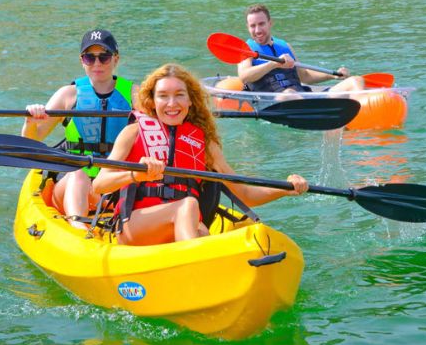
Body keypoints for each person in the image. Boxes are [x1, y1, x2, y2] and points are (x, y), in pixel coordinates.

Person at [92, 64, 308, 246]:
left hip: (185, 222)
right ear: (152, 101)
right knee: (188, 206)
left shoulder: (204, 143)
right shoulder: (133, 132)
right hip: (135, 226)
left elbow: (246, 193)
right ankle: (194, 265)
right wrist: (135, 175)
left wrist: (285, 189)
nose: (171, 103)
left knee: (201, 229)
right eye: (163, 96)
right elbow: (100, 185)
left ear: (190, 100)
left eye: (179, 95)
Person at [24, 29, 134, 228]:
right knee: (78, 173)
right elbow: (30, 144)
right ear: (82, 61)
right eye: (89, 58)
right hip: (71, 185)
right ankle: (78, 227)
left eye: (104, 57)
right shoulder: (67, 95)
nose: (97, 63)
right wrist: (30, 122)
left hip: (112, 185)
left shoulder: (135, 95)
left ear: (116, 59)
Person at [237, 3, 366, 95]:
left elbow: (305, 76)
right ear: (248, 27)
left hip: (302, 95)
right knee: (289, 93)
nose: (258, 30)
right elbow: (244, 76)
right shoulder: (246, 50)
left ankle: (361, 115)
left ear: (270, 23)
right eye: (253, 26)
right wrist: (273, 64)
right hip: (276, 101)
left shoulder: (285, 46)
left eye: (261, 24)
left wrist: (333, 75)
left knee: (355, 80)